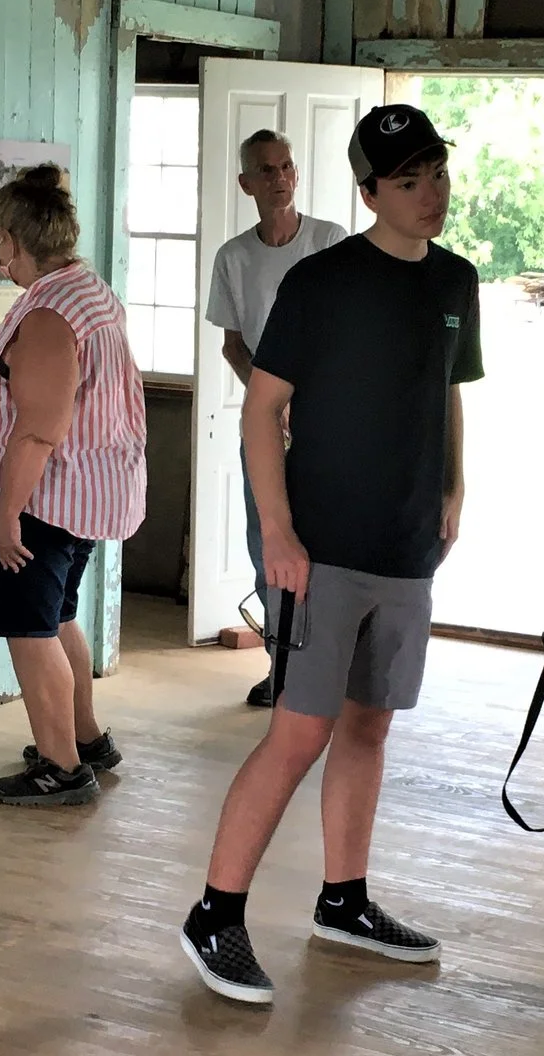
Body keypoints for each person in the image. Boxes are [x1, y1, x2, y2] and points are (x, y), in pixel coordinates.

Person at [179, 105, 481, 1005]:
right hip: (322, 550)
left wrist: (455, 487)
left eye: (437, 173)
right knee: (298, 730)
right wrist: (277, 532)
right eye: (408, 180)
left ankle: (343, 899)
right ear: (369, 192)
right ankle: (215, 914)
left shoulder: (455, 281)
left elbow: (447, 394)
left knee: (369, 723)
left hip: (406, 548)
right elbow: (261, 409)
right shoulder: (322, 282)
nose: (430, 194)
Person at [0, 164, 147, 807]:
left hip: (42, 501)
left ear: (14, 240)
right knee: (58, 615)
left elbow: (38, 431)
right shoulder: (88, 290)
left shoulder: (47, 315)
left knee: (30, 630)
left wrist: (6, 515)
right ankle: (85, 739)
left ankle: (61, 767)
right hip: (83, 494)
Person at [204, 129, 350, 707]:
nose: (281, 178)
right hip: (265, 424)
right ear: (247, 183)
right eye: (267, 170)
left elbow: (349, 334)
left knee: (330, 541)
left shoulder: (330, 242)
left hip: (329, 421)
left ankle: (331, 668)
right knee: (267, 540)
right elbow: (233, 346)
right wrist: (272, 401)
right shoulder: (233, 258)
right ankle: (281, 666)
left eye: (287, 166)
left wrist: (311, 401)